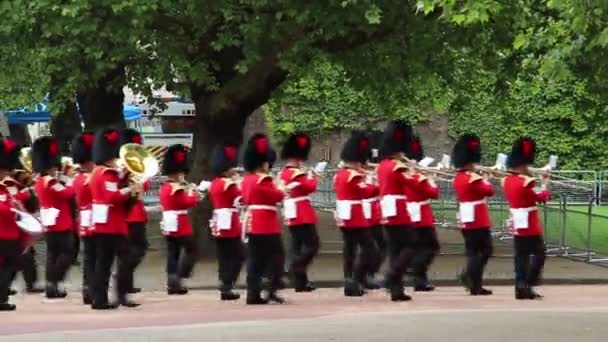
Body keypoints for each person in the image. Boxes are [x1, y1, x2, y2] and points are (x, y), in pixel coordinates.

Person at [89, 128, 140, 309]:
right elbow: (112, 197)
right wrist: (129, 190)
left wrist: (124, 177)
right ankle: (121, 294)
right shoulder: (106, 173)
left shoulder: (97, 172)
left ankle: (99, 298)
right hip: (112, 225)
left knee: (103, 263)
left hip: (105, 224)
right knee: (125, 259)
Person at [241, 134, 287, 305]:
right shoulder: (264, 179)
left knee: (255, 260)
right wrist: (280, 185)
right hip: (266, 224)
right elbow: (277, 195)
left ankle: (253, 293)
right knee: (277, 258)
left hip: (253, 222)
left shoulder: (247, 179)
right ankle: (272, 288)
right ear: (263, 162)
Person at [334, 130, 381, 297]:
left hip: (345, 216)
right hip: (355, 217)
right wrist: (377, 184)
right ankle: (356, 279)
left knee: (350, 250)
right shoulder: (352, 176)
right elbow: (366, 192)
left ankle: (350, 281)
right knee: (370, 249)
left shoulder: (342, 174)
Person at [502, 137, 550, 300]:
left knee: (521, 255)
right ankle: (528, 283)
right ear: (523, 164)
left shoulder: (506, 179)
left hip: (517, 220)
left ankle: (520, 286)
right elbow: (541, 197)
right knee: (539, 253)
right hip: (529, 222)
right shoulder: (526, 181)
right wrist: (545, 183)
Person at [376, 121, 417, 301]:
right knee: (410, 245)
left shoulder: (384, 165)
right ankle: (391, 275)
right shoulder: (397, 166)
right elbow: (413, 184)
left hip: (387, 207)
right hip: (398, 208)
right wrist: (415, 170)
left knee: (395, 249)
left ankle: (396, 290)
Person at [32, 136, 75, 299]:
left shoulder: (40, 181)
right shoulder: (51, 182)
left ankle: (52, 284)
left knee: (53, 254)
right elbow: (68, 193)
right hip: (60, 221)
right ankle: (54, 280)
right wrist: (69, 180)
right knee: (67, 253)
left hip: (49, 221)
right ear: (51, 165)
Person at [452, 134, 494, 296]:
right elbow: (488, 191)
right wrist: (485, 178)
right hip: (477, 218)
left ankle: (475, 284)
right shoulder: (473, 178)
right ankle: (470, 278)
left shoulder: (460, 177)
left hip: (466, 217)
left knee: (473, 251)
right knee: (484, 250)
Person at [279, 132, 320, 292]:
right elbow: (310, 187)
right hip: (302, 212)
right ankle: (294, 267)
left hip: (291, 211)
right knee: (312, 245)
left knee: (297, 245)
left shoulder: (285, 172)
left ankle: (300, 282)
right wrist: (313, 176)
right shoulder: (297, 172)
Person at [158, 144, 200, 295]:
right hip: (179, 222)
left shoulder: (165, 187)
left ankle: (172, 282)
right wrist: (194, 194)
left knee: (173, 252)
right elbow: (186, 202)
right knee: (192, 249)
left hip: (168, 222)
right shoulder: (176, 188)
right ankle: (180, 276)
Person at [208, 144, 245, 300]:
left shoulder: (215, 182)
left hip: (218, 220)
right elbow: (243, 197)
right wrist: (239, 180)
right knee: (238, 255)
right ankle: (227, 283)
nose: (234, 169)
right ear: (226, 167)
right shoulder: (228, 184)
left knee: (224, 255)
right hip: (229, 222)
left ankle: (224, 283)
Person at [4, 153, 44, 294]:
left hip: (17, 223)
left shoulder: (12, 182)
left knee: (22, 256)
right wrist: (27, 191)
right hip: (11, 224)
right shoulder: (8, 183)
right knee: (17, 257)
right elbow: (13, 200)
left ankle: (14, 285)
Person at [404, 136, 440, 291]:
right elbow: (434, 193)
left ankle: (420, 280)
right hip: (422, 216)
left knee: (417, 246)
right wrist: (431, 179)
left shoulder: (403, 175)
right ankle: (414, 269)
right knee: (431, 247)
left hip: (409, 214)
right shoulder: (418, 177)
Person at [119, 129, 150, 294]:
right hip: (130, 214)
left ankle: (126, 282)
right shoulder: (121, 168)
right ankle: (122, 278)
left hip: (136, 212)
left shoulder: (134, 166)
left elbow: (144, 186)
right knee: (136, 249)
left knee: (133, 249)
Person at [71, 132, 96, 304]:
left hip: (85, 219)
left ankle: (88, 288)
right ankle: (92, 289)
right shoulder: (89, 178)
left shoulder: (79, 178)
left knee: (89, 256)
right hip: (94, 219)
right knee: (96, 257)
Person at [0, 138, 23, 311]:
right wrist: (15, 209)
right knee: (7, 266)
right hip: (4, 234)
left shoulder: (5, 186)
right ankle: (2, 299)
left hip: (9, 233)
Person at [363, 147, 385, 289]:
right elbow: (370, 191)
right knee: (372, 247)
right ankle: (366, 275)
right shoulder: (359, 174)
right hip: (367, 214)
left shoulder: (370, 173)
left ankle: (370, 273)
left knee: (381, 246)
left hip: (376, 214)